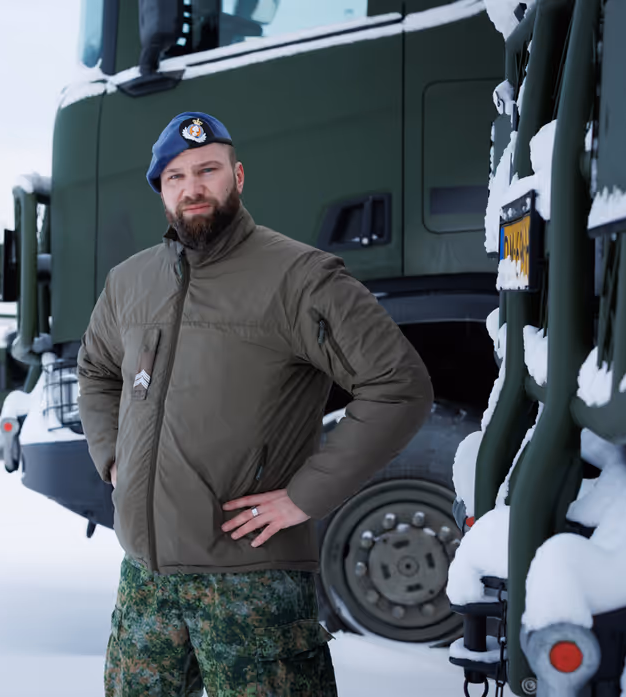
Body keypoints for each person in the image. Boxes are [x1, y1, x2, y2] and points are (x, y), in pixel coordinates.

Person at [77, 111, 434, 696]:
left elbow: (397, 385)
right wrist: (113, 456)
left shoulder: (300, 276)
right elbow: (95, 370)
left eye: (207, 170)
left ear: (237, 176)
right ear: (161, 191)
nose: (192, 187)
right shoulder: (129, 281)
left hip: (251, 588)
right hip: (146, 582)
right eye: (176, 177)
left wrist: (304, 496)